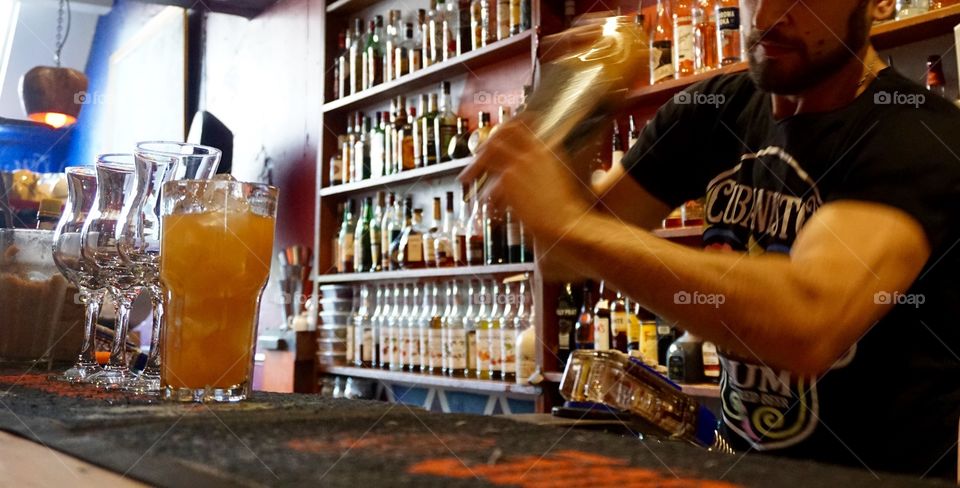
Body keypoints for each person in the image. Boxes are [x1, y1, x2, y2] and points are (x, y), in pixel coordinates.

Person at [463, 0, 960, 480]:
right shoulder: (716, 108)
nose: (766, 16)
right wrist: (579, 100)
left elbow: (807, 323)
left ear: (881, 3)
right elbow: (567, 256)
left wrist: (567, 224)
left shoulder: (914, 134)